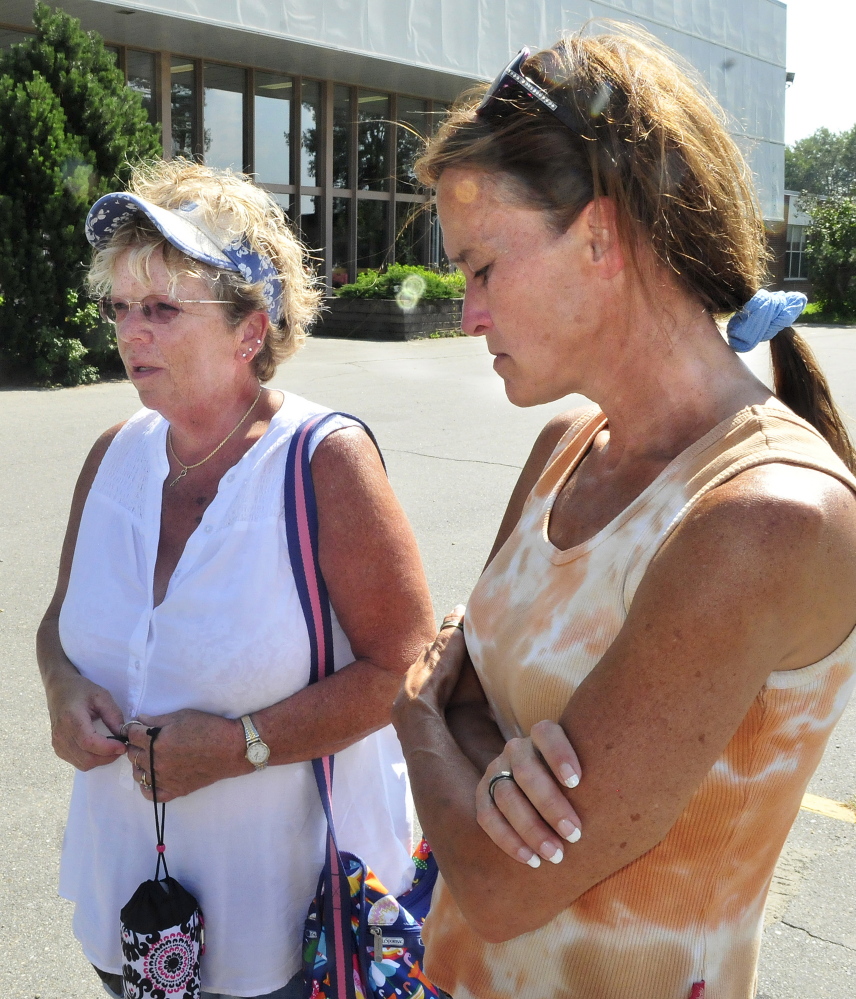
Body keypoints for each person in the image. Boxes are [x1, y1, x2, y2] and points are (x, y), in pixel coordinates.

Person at [391, 27, 856, 999]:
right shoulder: (562, 448)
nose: (465, 314)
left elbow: (504, 886)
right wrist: (473, 742)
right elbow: (466, 677)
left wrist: (416, 721)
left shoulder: (759, 517)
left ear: (600, 239)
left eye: (481, 268)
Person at [37, 160, 435, 999]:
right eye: (120, 306)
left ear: (250, 329)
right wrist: (62, 687)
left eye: (162, 308)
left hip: (285, 929)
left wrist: (237, 746)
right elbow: (58, 624)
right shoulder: (114, 454)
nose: (128, 331)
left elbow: (401, 671)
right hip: (132, 911)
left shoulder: (324, 460)